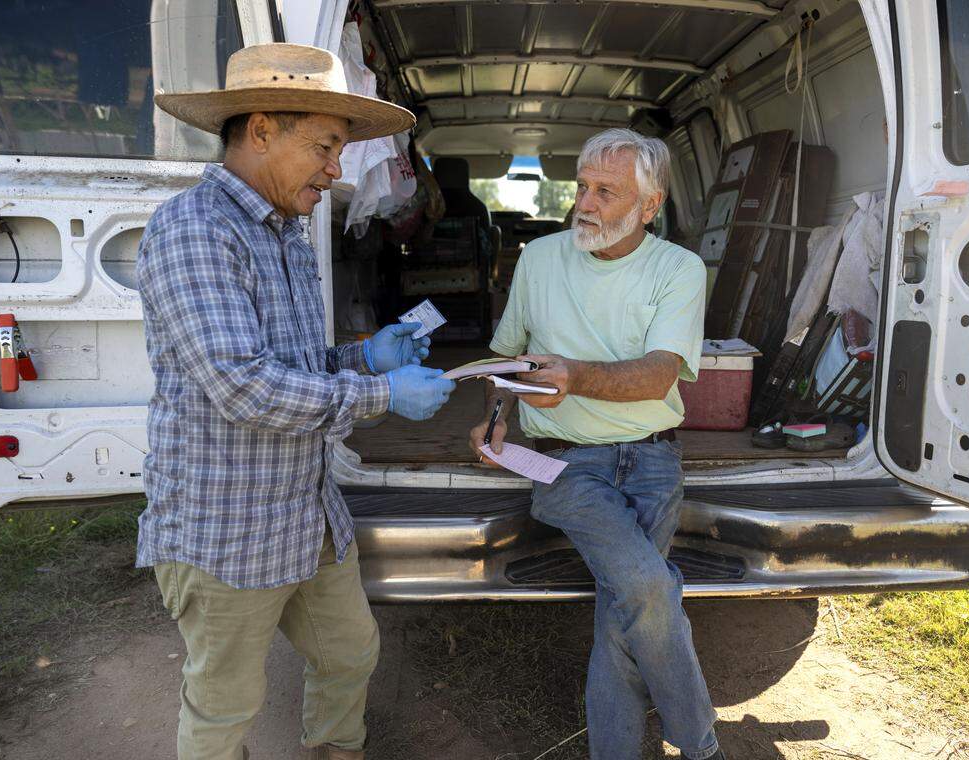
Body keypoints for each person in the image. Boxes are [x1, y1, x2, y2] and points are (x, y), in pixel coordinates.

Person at [137, 43, 455, 760]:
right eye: (324, 146)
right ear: (259, 131)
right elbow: (242, 385)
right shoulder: (196, 228)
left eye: (337, 151)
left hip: (305, 511)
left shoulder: (284, 230)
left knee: (350, 655)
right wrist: (380, 392)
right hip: (226, 527)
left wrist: (363, 356)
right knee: (224, 709)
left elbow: (290, 366)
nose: (336, 170)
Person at [469, 128, 724, 760]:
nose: (584, 203)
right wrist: (497, 415)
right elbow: (506, 359)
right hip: (566, 465)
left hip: (654, 459)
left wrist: (576, 375)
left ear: (649, 205)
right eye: (583, 186)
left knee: (622, 615)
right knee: (648, 588)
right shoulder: (539, 258)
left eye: (606, 192)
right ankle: (702, 745)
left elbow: (661, 372)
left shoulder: (679, 269)